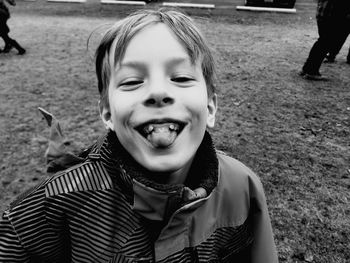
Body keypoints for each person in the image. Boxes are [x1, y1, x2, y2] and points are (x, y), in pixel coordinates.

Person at [0, 9, 278, 262]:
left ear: (210, 107)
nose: (158, 92)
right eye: (132, 81)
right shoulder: (50, 207)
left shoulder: (243, 187)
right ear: (107, 113)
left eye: (181, 78)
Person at [299, 0, 350, 80]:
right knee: (324, 43)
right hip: (333, 16)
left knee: (322, 42)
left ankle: (307, 68)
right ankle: (312, 71)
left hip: (323, 13)